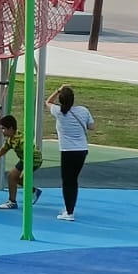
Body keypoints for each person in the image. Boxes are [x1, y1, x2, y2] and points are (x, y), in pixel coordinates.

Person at [47, 86, 94, 221]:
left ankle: (69, 211)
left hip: (67, 151)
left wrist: (57, 90)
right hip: (82, 150)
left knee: (68, 182)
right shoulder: (83, 110)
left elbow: (48, 102)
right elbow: (91, 126)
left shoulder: (59, 112)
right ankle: (69, 208)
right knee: (73, 180)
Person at [0, 113, 42, 209]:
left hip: (33, 159)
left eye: (3, 128)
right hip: (24, 159)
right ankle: (33, 191)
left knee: (14, 177)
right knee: (14, 178)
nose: (2, 131)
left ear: (11, 128)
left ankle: (12, 202)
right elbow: (4, 149)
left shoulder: (21, 139)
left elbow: (30, 151)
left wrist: (26, 168)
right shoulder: (10, 139)